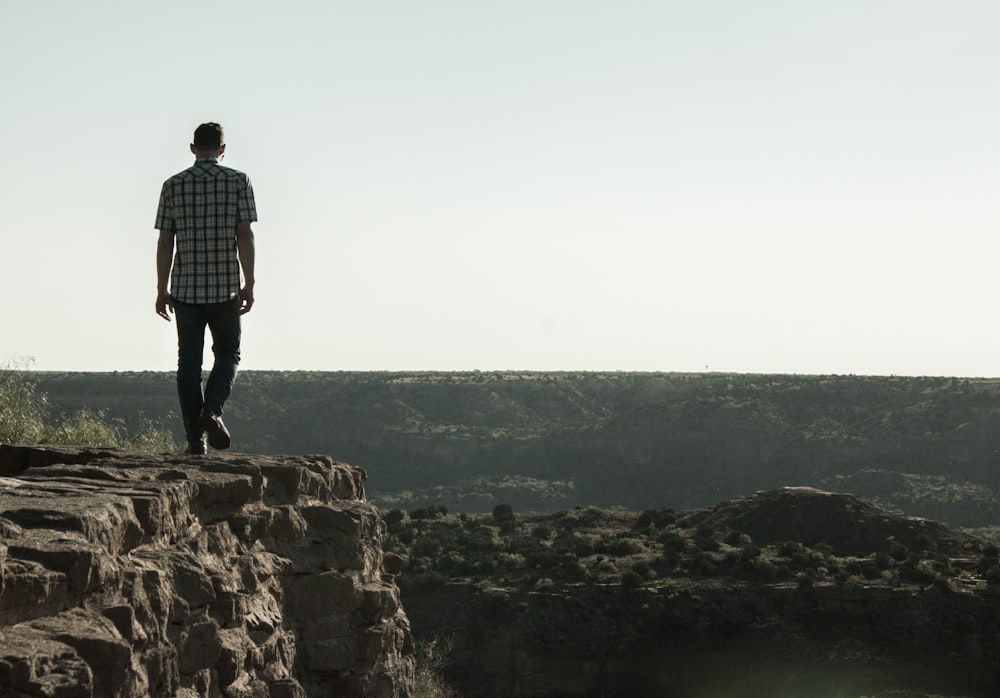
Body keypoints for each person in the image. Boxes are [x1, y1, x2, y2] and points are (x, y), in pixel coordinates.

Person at [154, 122, 257, 454]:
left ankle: (195, 442)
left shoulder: (173, 185)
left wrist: (161, 287)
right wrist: (249, 282)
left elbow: (165, 240)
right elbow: (245, 235)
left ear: (193, 148)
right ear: (223, 149)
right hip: (225, 288)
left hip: (185, 290)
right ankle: (211, 410)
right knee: (228, 353)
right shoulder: (238, 181)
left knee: (188, 364)